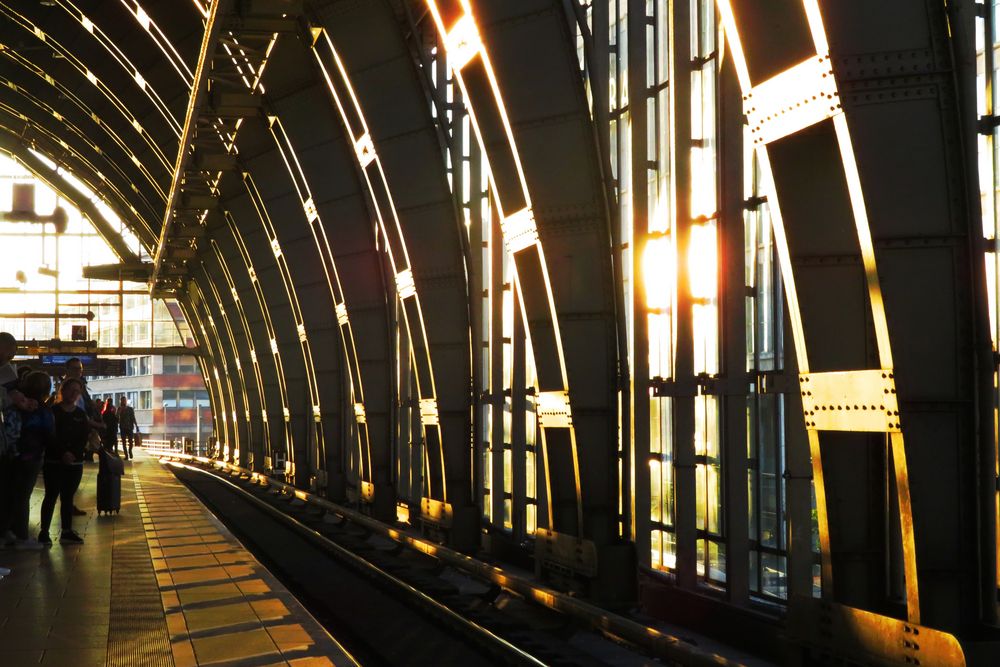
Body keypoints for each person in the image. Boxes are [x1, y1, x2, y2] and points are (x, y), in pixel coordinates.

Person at [1, 371, 54, 550]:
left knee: (9, 495)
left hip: (10, 455)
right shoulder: (42, 410)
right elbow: (49, 434)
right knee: (22, 497)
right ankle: (21, 537)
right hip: (31, 457)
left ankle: (7, 531)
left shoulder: (16, 404)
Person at [39, 377, 88, 545]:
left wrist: (73, 454)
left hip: (75, 463)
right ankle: (44, 531)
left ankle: (66, 531)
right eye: (71, 390)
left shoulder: (81, 415)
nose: (74, 394)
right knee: (51, 496)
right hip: (54, 462)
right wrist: (62, 453)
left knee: (68, 497)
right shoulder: (52, 412)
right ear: (63, 390)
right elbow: (49, 436)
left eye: (77, 391)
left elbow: (83, 439)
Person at [118, 396, 136, 460]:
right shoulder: (119, 409)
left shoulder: (130, 409)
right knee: (124, 442)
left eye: (124, 400)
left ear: (126, 401)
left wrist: (136, 425)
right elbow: (117, 418)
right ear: (120, 401)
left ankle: (130, 450)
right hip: (122, 428)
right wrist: (119, 412)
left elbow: (133, 418)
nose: (123, 401)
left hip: (130, 427)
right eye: (122, 400)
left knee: (131, 442)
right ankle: (126, 455)